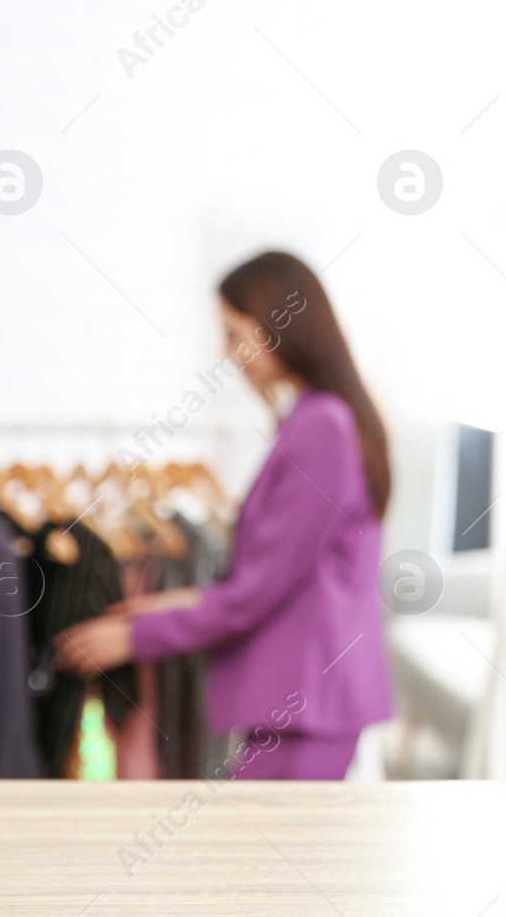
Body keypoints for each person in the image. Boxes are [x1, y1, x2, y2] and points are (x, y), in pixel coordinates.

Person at [57, 251, 394, 780]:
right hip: (302, 699)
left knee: (262, 857)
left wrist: (136, 637)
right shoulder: (315, 419)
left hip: (307, 701)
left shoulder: (321, 427)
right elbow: (279, 574)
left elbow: (257, 592)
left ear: (283, 328)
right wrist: (169, 603)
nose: (229, 353)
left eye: (236, 334)